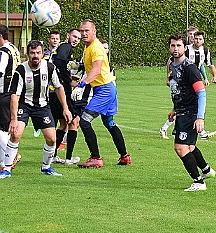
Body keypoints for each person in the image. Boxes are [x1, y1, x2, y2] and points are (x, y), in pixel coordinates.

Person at [0, 40, 72, 178]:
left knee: (52, 138)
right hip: (24, 105)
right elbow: (15, 96)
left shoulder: (50, 68)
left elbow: (59, 87)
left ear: (42, 54)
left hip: (42, 106)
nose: (35, 56)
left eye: (38, 53)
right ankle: (6, 169)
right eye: (32, 53)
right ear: (27, 54)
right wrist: (14, 120)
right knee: (15, 133)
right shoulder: (21, 70)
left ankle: (46, 167)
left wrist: (65, 108)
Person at [72, 19, 131, 168]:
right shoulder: (88, 47)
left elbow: (96, 70)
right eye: (82, 31)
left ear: (94, 31)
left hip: (104, 90)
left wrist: (82, 84)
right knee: (109, 123)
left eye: (87, 30)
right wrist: (77, 66)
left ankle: (96, 158)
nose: (84, 33)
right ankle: (124, 156)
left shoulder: (96, 47)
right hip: (106, 88)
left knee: (84, 121)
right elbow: (92, 67)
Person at [166, 33, 216, 191]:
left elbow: (201, 93)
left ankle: (198, 182)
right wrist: (175, 109)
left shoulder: (189, 68)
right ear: (169, 47)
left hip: (190, 113)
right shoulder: (173, 66)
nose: (175, 48)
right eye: (173, 45)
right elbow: (181, 89)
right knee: (190, 147)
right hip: (182, 111)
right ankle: (206, 170)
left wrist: (200, 117)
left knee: (180, 148)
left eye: (179, 45)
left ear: (185, 48)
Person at [160, 29, 216, 140]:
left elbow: (203, 66)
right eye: (194, 37)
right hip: (183, 103)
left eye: (199, 38)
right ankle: (167, 128)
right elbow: (171, 62)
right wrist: (168, 77)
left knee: (183, 148)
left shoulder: (203, 53)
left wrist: (207, 77)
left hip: (192, 88)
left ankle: (200, 129)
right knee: (184, 148)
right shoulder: (181, 56)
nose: (196, 40)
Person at [50, 29, 82, 165]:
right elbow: (58, 63)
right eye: (74, 36)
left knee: (63, 124)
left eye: (78, 38)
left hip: (56, 91)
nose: (76, 40)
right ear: (68, 36)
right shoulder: (66, 47)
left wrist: (69, 76)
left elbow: (60, 64)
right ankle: (68, 158)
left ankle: (53, 155)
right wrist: (68, 81)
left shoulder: (63, 47)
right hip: (63, 91)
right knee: (74, 122)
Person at [0, 25, 21, 169]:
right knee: (4, 127)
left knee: (2, 128)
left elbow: (0, 71)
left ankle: (11, 155)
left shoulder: (3, 52)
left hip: (3, 92)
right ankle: (5, 159)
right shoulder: (13, 48)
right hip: (11, 92)